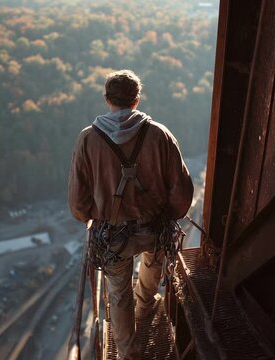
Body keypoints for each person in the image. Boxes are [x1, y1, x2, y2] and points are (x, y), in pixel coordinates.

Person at [68, 69, 194, 359]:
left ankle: (127, 354)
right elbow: (182, 189)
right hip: (154, 227)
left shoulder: (88, 140)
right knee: (153, 264)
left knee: (118, 296)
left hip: (112, 234)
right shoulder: (160, 135)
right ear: (136, 100)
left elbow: (78, 203)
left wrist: (94, 215)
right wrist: (167, 215)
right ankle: (147, 305)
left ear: (107, 100)